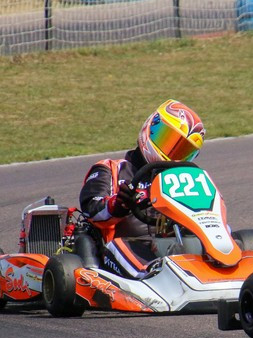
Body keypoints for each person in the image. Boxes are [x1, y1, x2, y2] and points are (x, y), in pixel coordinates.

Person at [79, 99, 205, 279]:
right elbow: (91, 209)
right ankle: (153, 278)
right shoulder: (112, 169)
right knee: (128, 251)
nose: (173, 155)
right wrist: (118, 205)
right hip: (125, 248)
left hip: (173, 247)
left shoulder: (184, 180)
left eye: (182, 151)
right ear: (150, 129)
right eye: (168, 142)